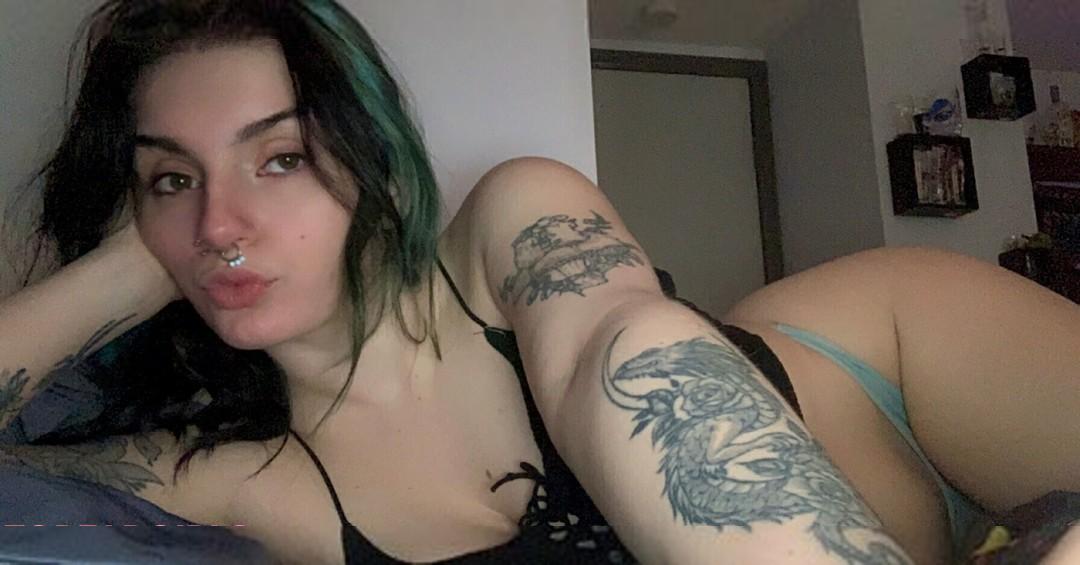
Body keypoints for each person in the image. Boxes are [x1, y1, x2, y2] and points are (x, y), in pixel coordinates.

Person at [0, 1, 1077, 564]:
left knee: (644, 353)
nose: (220, 223)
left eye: (279, 157)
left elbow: (619, 336)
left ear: (371, 160)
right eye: (171, 176)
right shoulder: (239, 479)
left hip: (891, 364)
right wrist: (129, 265)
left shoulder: (512, 223)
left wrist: (174, 213)